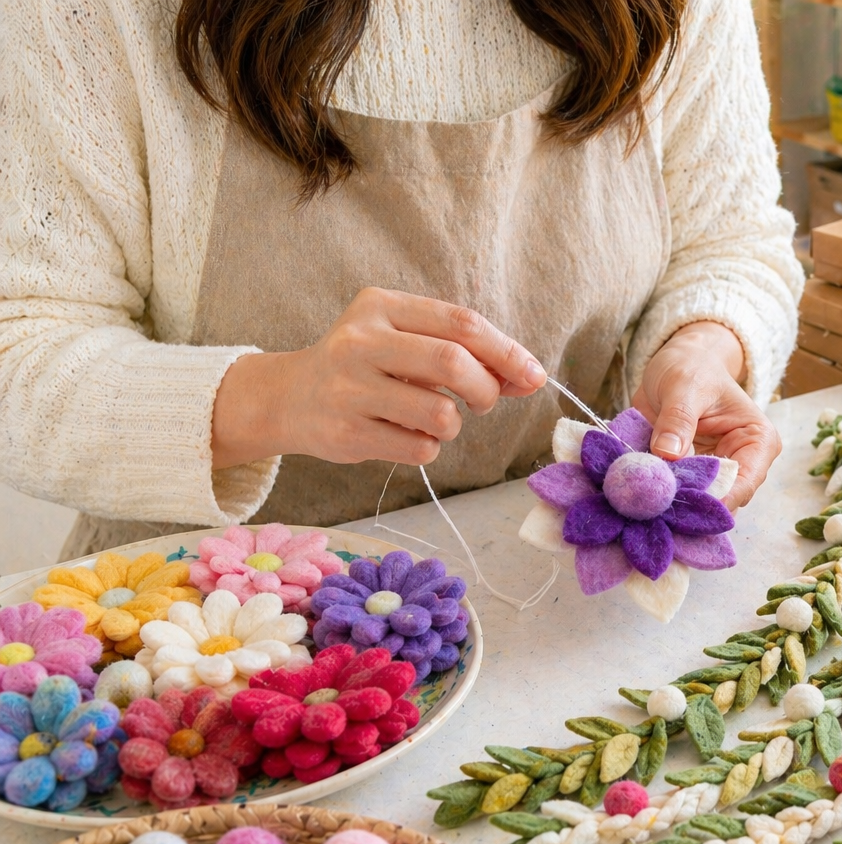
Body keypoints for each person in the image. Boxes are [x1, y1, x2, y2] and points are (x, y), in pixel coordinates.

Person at [0, 0, 801, 559]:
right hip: (202, 636)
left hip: (555, 598)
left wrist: (704, 345)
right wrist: (272, 397)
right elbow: (18, 352)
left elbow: (733, 239)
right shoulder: (88, 15)